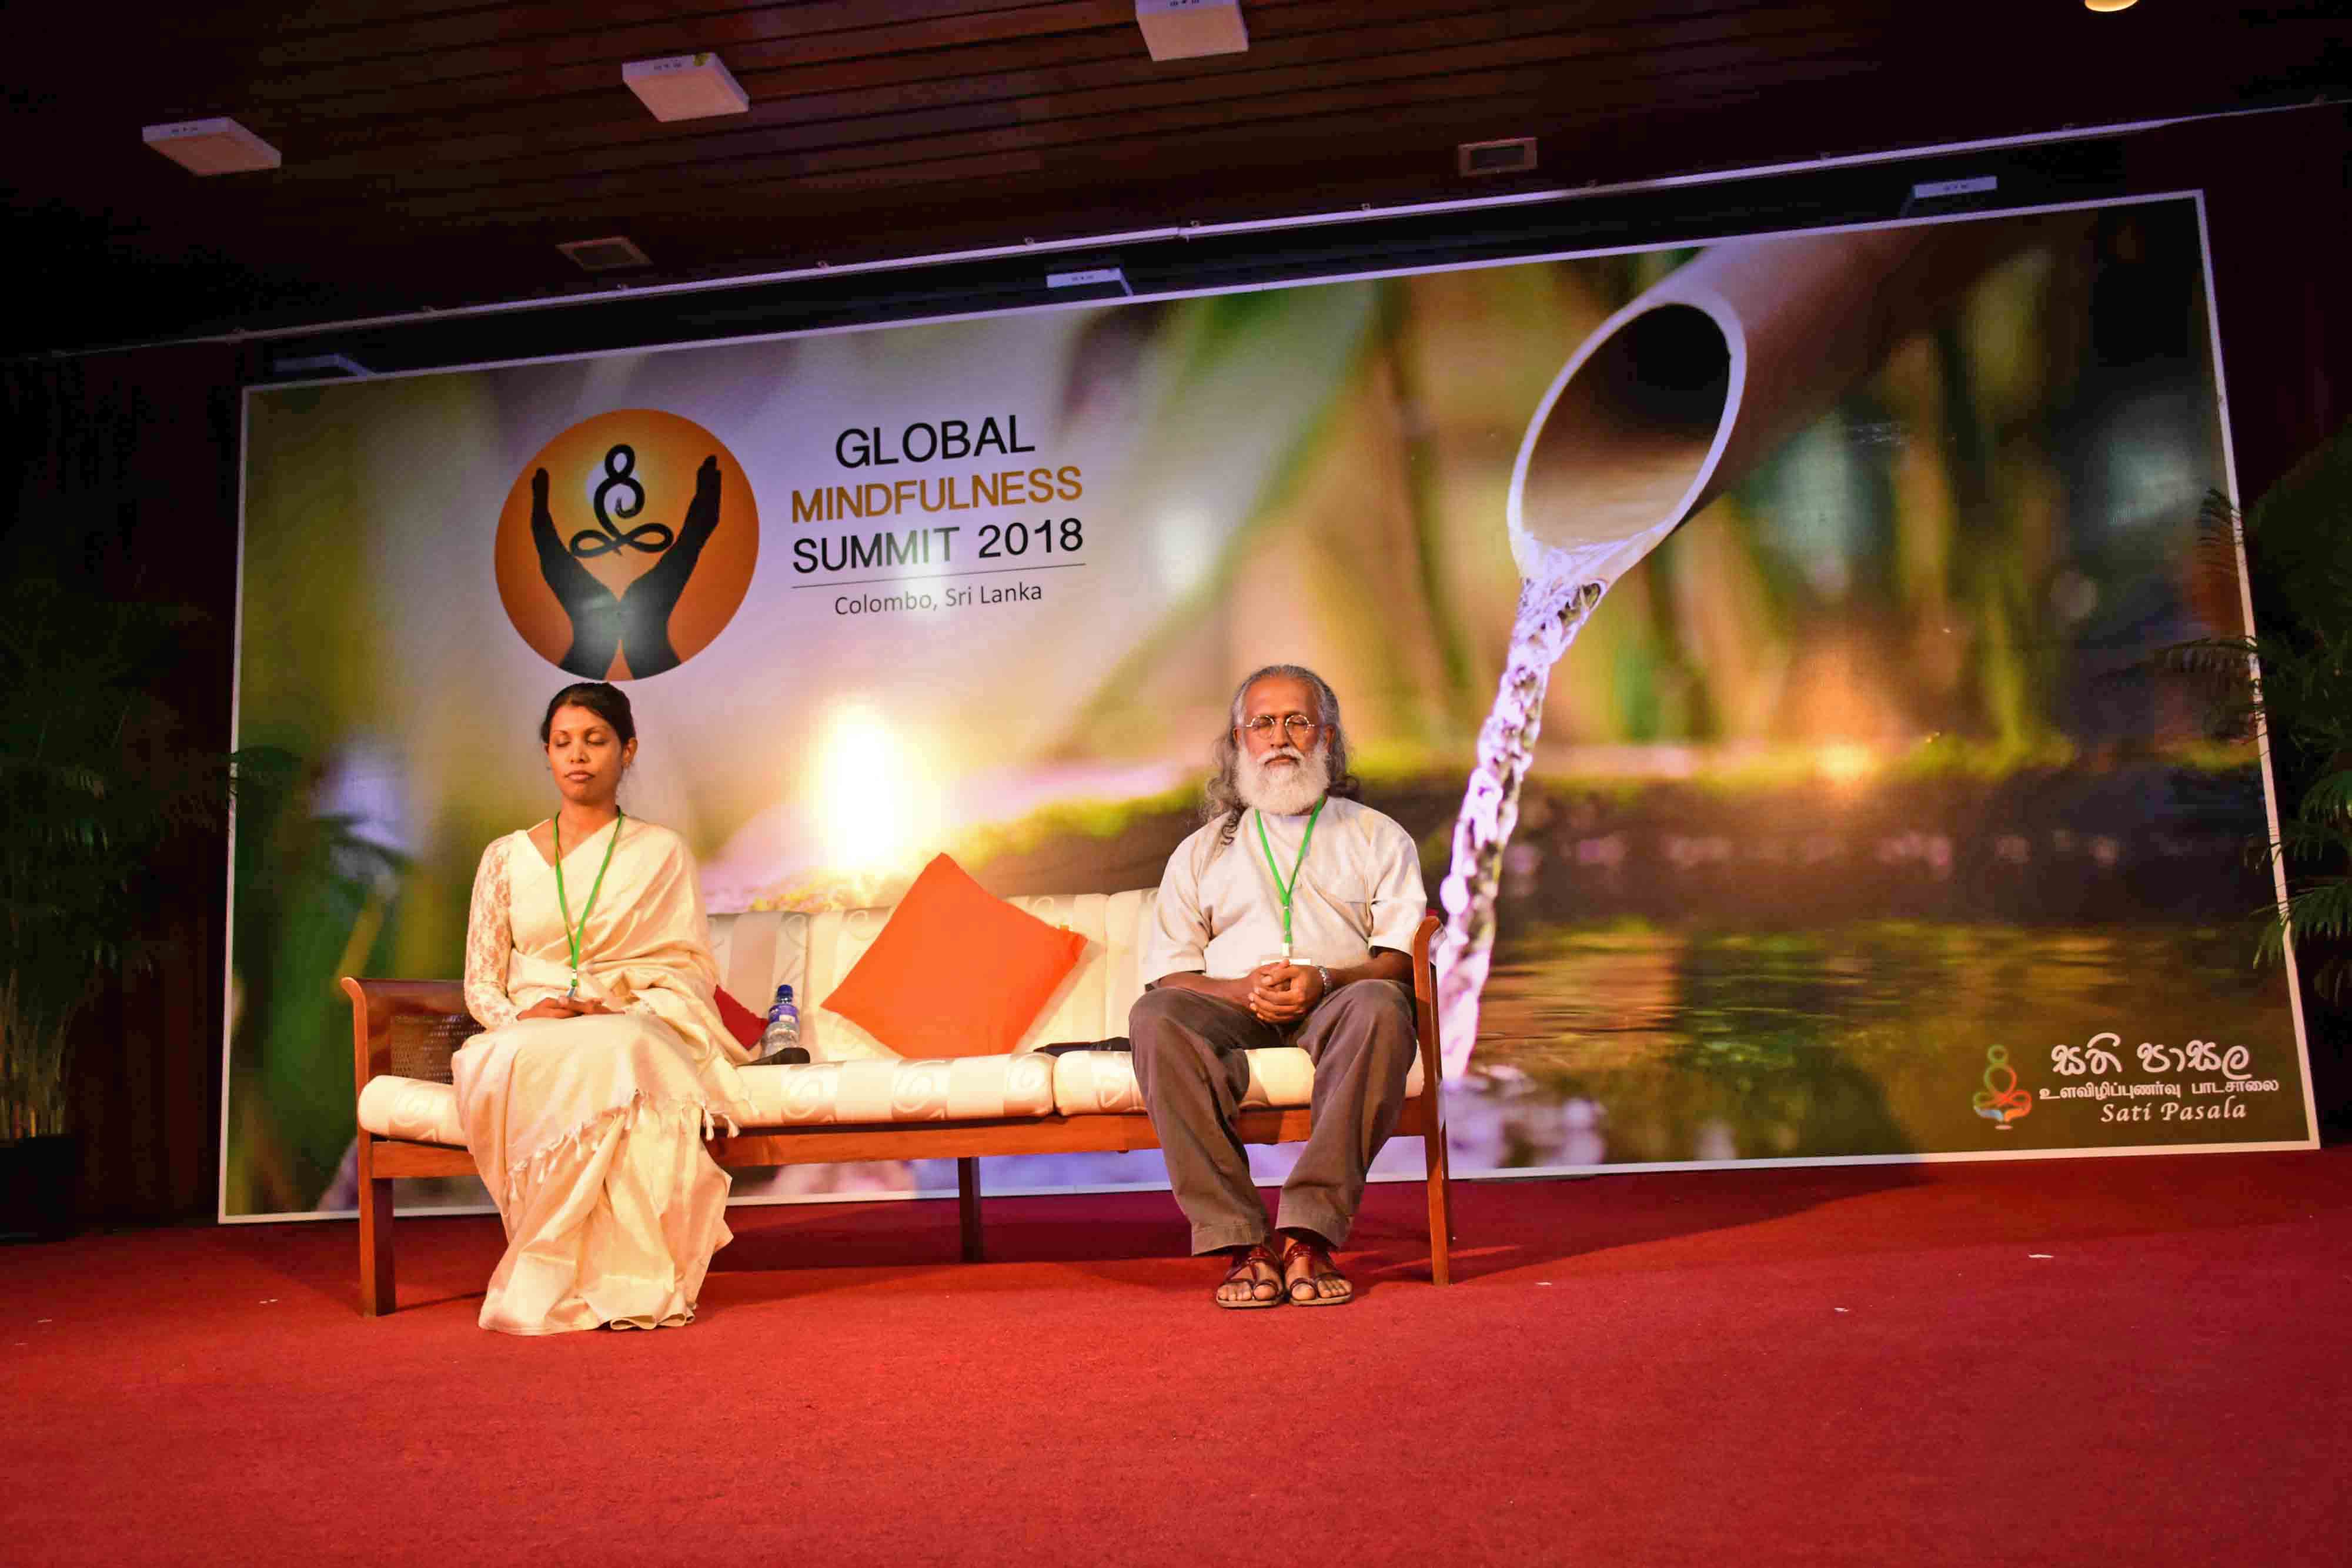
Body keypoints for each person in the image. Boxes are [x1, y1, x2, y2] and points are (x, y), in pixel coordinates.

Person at [452, 681, 757, 1334]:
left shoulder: (661, 851)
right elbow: (480, 983)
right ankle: (553, 1271)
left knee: (623, 1047)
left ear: (628, 750)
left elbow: (688, 969)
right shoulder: (504, 857)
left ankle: (624, 1278)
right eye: (563, 742)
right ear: (547, 754)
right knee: (538, 1053)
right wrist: (519, 1018)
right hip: (529, 1031)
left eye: (595, 740)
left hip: (625, 1020)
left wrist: (612, 1001)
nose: (578, 755)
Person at [1130, 664, 1426, 1309]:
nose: (1280, 737)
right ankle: (1241, 1241)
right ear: (1239, 741)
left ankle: (1307, 1233)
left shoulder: (1377, 835)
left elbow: (1400, 958)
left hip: (1339, 1001)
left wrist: (1325, 979)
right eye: (1262, 723)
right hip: (1231, 1007)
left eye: (1298, 721)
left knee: (1383, 1005)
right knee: (1156, 1015)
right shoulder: (1201, 850)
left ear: (1327, 737)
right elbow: (1171, 972)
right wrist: (1242, 989)